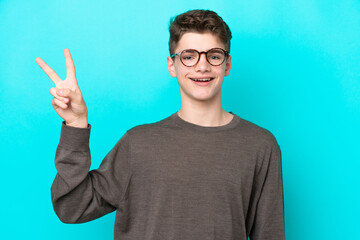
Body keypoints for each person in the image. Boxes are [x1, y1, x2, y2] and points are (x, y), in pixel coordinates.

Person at [36, 9, 285, 240]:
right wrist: (76, 124)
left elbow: (269, 233)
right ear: (172, 65)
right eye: (188, 56)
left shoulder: (260, 145)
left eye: (214, 55)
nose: (202, 65)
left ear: (227, 65)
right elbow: (71, 207)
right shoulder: (138, 143)